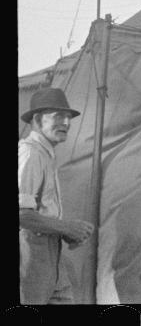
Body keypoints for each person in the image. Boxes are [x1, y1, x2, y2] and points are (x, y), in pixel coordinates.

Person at [19, 87, 95, 304]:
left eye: (68, 117)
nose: (67, 123)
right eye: (58, 116)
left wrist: (65, 232)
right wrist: (66, 227)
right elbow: (21, 214)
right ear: (37, 119)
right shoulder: (31, 153)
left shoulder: (45, 154)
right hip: (30, 250)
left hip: (49, 249)